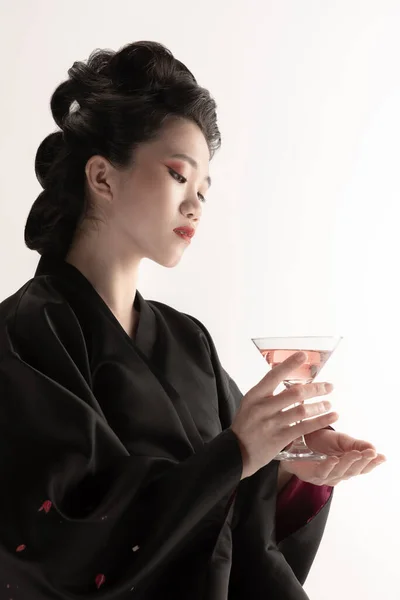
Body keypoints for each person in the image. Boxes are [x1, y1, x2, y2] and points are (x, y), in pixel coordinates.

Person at [0, 41, 385, 600]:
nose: (197, 204)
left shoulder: (188, 340)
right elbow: (55, 534)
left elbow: (233, 493)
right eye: (180, 176)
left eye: (204, 189)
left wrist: (292, 474)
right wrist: (238, 453)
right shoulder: (26, 332)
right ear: (102, 178)